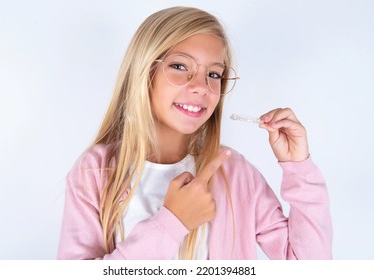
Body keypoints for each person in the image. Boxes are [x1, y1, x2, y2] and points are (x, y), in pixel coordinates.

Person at [57, 6, 332, 260]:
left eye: (214, 74)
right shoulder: (96, 172)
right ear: (144, 72)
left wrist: (299, 167)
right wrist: (173, 222)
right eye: (179, 66)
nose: (201, 86)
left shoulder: (234, 174)